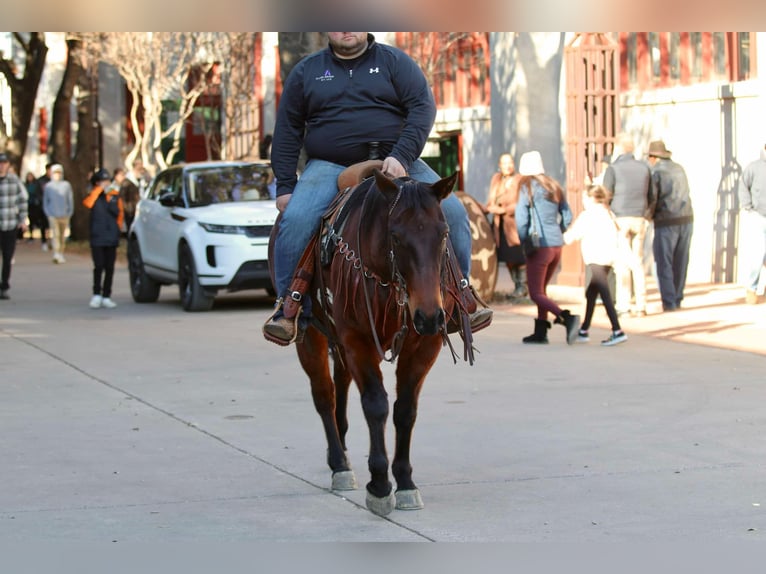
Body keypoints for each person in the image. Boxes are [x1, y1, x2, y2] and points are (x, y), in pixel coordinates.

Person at [263, 32, 491, 344]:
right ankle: (288, 308)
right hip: (330, 165)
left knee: (452, 211)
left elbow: (422, 108)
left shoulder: (395, 62)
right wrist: (286, 186)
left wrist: (402, 155)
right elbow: (288, 128)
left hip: (396, 162)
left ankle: (460, 297)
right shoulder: (306, 71)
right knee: (297, 219)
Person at [515, 150, 580, 344]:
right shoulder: (554, 186)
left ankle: (567, 318)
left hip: (539, 245)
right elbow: (568, 216)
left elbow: (521, 219)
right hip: (556, 245)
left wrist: (523, 240)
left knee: (535, 293)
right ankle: (541, 331)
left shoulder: (527, 187)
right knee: (542, 290)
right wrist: (557, 232)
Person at [564, 184, 628, 346]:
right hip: (608, 257)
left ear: (592, 198)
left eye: (585, 197)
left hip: (596, 257)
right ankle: (584, 330)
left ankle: (617, 330)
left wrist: (559, 239)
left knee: (604, 293)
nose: (583, 201)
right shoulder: (608, 213)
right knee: (591, 293)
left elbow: (573, 234)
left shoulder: (589, 215)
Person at [603, 133, 653, 317]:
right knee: (638, 262)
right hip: (639, 216)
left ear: (618, 147)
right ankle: (641, 304)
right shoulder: (644, 167)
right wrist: (646, 214)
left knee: (623, 263)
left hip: (620, 218)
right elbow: (651, 194)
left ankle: (624, 305)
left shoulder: (613, 168)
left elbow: (606, 194)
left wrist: (609, 214)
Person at [646, 140, 694, 312]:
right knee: (681, 261)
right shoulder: (679, 168)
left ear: (653, 157)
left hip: (666, 220)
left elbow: (653, 198)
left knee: (664, 262)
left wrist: (648, 217)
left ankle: (669, 301)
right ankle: (678, 297)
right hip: (686, 218)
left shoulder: (656, 172)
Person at [485, 153, 527, 300]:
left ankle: (522, 287)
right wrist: (489, 208)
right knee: (507, 257)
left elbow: (522, 202)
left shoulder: (520, 180)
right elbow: (491, 200)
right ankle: (517, 286)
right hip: (499, 225)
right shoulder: (496, 179)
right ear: (499, 165)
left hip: (514, 223)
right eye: (504, 163)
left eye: (510, 163)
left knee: (518, 256)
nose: (508, 166)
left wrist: (504, 209)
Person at [82, 168, 124, 309]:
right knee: (98, 266)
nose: (105, 184)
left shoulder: (114, 195)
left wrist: (117, 229)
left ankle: (107, 295)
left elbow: (120, 214)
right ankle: (96, 294)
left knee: (109, 267)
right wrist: (98, 190)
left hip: (111, 235)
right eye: (101, 181)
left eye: (106, 181)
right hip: (97, 236)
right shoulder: (93, 195)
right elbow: (88, 204)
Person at [737, 143, 766, 305]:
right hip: (758, 217)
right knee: (758, 254)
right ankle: (751, 289)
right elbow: (743, 186)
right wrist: (747, 206)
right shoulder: (754, 167)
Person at [0, 153, 28, 300]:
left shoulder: (14, 181)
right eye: (0, 163)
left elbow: (22, 200)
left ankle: (4, 285)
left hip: (9, 224)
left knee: (7, 256)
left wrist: (23, 220)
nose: (2, 166)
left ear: (8, 165)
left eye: (4, 163)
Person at [43, 164, 74, 264]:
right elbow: (45, 201)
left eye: (59, 173)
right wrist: (48, 213)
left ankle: (61, 252)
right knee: (55, 234)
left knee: (62, 235)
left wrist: (69, 212)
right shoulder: (49, 186)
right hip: (53, 214)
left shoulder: (66, 185)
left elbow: (70, 199)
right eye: (55, 173)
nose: (57, 175)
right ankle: (56, 253)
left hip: (64, 214)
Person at [114, 167, 139, 233]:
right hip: (131, 209)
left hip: (129, 210)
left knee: (130, 228)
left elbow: (121, 198)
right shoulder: (129, 183)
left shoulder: (125, 184)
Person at [24, 172, 46, 245]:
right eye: (28, 176)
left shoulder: (36, 184)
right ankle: (31, 237)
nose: (29, 178)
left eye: (30, 176)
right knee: (31, 221)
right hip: (29, 205)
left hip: (36, 205)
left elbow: (40, 193)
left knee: (40, 221)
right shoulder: (26, 185)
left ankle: (43, 239)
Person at [36, 163, 52, 251]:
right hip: (43, 206)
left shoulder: (55, 181)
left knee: (52, 225)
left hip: (54, 207)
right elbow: (38, 193)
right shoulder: (41, 181)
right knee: (44, 224)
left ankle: (52, 241)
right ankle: (44, 241)